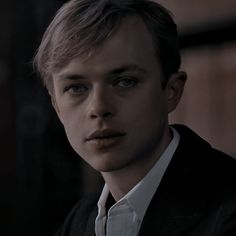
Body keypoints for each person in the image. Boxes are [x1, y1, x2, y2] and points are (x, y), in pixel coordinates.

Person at [34, 0, 236, 235]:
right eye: (77, 88)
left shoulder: (227, 212)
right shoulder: (78, 223)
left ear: (171, 92)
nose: (98, 107)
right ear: (56, 105)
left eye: (125, 81)